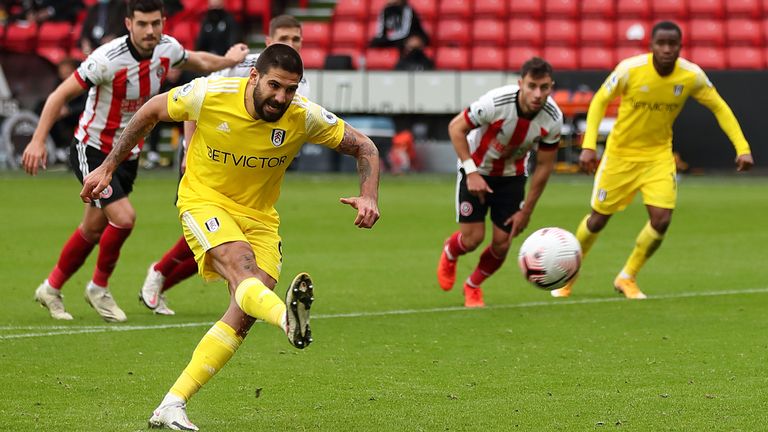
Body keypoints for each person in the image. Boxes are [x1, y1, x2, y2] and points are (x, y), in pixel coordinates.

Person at [80, 43, 380, 430]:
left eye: (291, 89)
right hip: (205, 201)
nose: (282, 97)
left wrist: (369, 195)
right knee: (243, 272)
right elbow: (151, 110)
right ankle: (288, 320)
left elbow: (365, 147)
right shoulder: (210, 93)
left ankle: (172, 403)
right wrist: (107, 167)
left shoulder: (303, 116)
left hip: (260, 218)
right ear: (253, 76)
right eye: (274, 86)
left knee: (243, 313)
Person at [22, 0, 249, 322]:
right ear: (129, 24)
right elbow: (59, 95)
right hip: (94, 150)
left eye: (155, 23)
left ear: (163, 22)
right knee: (124, 218)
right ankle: (98, 287)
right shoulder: (105, 60)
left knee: (92, 228)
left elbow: (197, 60)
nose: (150, 31)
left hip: (128, 153)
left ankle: (51, 287)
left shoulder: (166, 49)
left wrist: (229, 60)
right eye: (142, 24)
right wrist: (37, 139)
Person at [550, 21, 754, 300]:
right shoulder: (630, 70)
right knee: (598, 220)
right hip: (620, 155)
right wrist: (588, 145)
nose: (667, 49)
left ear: (680, 47)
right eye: (662, 44)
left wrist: (742, 147)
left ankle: (627, 276)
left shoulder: (691, 76)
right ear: (652, 46)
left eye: (673, 44)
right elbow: (599, 100)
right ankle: (569, 275)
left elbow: (719, 106)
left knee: (661, 219)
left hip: (658, 156)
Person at [138, 14, 310, 316]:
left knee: (226, 243)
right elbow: (198, 99)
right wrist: (189, 148)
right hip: (213, 159)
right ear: (269, 41)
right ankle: (159, 275)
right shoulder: (247, 68)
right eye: (284, 38)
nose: (290, 44)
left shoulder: (298, 81)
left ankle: (166, 280)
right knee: (215, 236)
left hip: (250, 171)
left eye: (296, 39)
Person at [436, 57, 563, 308]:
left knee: (503, 243)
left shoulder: (553, 118)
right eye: (532, 86)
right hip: (476, 168)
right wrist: (471, 173)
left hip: (511, 176)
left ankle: (473, 286)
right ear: (521, 84)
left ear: (551, 86)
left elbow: (545, 166)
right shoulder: (496, 102)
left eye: (544, 87)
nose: (538, 94)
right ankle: (451, 252)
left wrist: (526, 210)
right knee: (472, 239)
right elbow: (455, 128)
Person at [369, 0, 433, 69]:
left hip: (409, 37)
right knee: (374, 42)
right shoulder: (385, 10)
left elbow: (405, 32)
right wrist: (384, 39)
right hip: (396, 39)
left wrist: (388, 38)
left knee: (410, 43)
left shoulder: (407, 9)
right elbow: (380, 33)